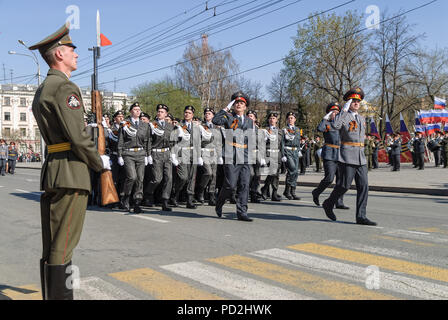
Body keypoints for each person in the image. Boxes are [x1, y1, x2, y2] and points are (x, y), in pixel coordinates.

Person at [29, 22, 110, 300]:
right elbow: (78, 136)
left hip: (54, 170)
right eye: (72, 50)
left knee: (53, 243)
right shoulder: (65, 88)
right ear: (59, 54)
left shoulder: (43, 89)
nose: (76, 54)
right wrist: (100, 163)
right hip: (71, 173)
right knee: (64, 246)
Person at [322, 87, 377, 226]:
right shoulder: (344, 116)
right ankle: (329, 203)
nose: (356, 103)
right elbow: (334, 126)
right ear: (348, 102)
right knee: (344, 186)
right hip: (347, 155)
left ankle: (361, 216)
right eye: (353, 101)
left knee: (364, 186)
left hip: (360, 157)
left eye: (358, 101)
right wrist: (343, 111)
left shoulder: (361, 118)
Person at [213, 91, 254, 222]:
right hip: (231, 154)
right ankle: (219, 202)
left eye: (241, 103)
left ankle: (242, 212)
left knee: (244, 184)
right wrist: (226, 108)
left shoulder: (249, 121)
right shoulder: (228, 117)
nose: (239, 105)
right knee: (230, 184)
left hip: (245, 155)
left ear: (245, 106)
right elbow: (215, 120)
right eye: (236, 103)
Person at [312, 102, 348, 209]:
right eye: (333, 112)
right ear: (329, 114)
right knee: (329, 178)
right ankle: (316, 192)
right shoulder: (327, 124)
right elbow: (320, 129)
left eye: (337, 112)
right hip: (329, 154)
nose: (335, 114)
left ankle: (339, 201)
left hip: (341, 154)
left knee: (341, 180)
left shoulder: (342, 124)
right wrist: (324, 119)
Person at [117, 102, 152, 214]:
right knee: (131, 177)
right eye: (135, 109)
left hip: (141, 154)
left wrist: (148, 154)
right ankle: (126, 197)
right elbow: (121, 140)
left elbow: (147, 141)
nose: (138, 111)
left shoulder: (145, 125)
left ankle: (137, 202)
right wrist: (119, 155)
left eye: (139, 109)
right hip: (128, 153)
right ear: (131, 111)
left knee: (140, 179)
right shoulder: (125, 124)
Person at [144, 104, 175, 211]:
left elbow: (172, 141)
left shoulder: (170, 126)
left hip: (166, 153)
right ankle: (148, 193)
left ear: (166, 114)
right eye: (158, 111)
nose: (159, 113)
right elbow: (148, 141)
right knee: (157, 178)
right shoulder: (152, 125)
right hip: (156, 153)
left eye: (162, 112)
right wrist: (148, 154)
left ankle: (165, 201)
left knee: (169, 178)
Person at [170, 105, 202, 209]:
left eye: (189, 113)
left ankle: (189, 199)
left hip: (193, 153)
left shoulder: (196, 127)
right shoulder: (178, 125)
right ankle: (175, 195)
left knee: (192, 178)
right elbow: (173, 141)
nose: (186, 114)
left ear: (192, 115)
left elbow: (198, 142)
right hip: (182, 153)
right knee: (183, 177)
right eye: (185, 112)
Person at [195, 107, 220, 206]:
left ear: (213, 115)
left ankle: (211, 195)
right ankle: (200, 190)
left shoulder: (217, 127)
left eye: (209, 113)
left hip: (214, 153)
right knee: (208, 173)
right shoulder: (201, 126)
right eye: (206, 113)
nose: (207, 115)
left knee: (214, 175)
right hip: (204, 151)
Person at [260, 112, 283, 201]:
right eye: (270, 118)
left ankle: (273, 192)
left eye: (274, 118)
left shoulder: (280, 131)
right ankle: (266, 189)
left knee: (276, 174)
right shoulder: (264, 130)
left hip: (277, 154)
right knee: (272, 172)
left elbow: (281, 143)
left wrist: (283, 155)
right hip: (268, 153)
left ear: (276, 120)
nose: (272, 120)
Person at [281, 112, 301, 200]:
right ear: (287, 119)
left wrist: (299, 150)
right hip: (287, 151)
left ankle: (291, 191)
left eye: (292, 118)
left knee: (295, 172)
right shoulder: (284, 129)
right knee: (292, 169)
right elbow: (282, 142)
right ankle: (288, 190)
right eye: (289, 118)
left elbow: (298, 141)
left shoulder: (297, 129)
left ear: (295, 119)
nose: (290, 119)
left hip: (295, 152)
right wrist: (283, 154)